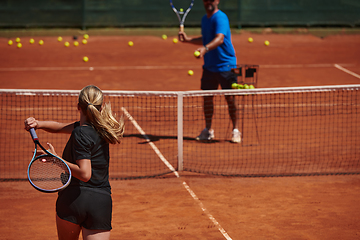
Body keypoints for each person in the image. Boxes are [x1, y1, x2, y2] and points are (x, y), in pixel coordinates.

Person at [24, 85, 125, 240]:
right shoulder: (103, 128)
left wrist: (55, 159)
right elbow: (58, 127)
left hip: (73, 201)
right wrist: (38, 124)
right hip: (99, 204)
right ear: (101, 107)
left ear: (78, 106)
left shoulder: (80, 132)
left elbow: (85, 174)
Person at [179, 0, 241, 143]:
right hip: (209, 67)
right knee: (207, 99)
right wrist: (188, 40)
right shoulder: (204, 19)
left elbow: (219, 39)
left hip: (226, 66)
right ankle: (208, 130)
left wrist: (205, 49)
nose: (209, 2)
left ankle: (236, 130)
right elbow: (206, 39)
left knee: (230, 99)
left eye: (212, 0)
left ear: (217, 1)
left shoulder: (220, 18)